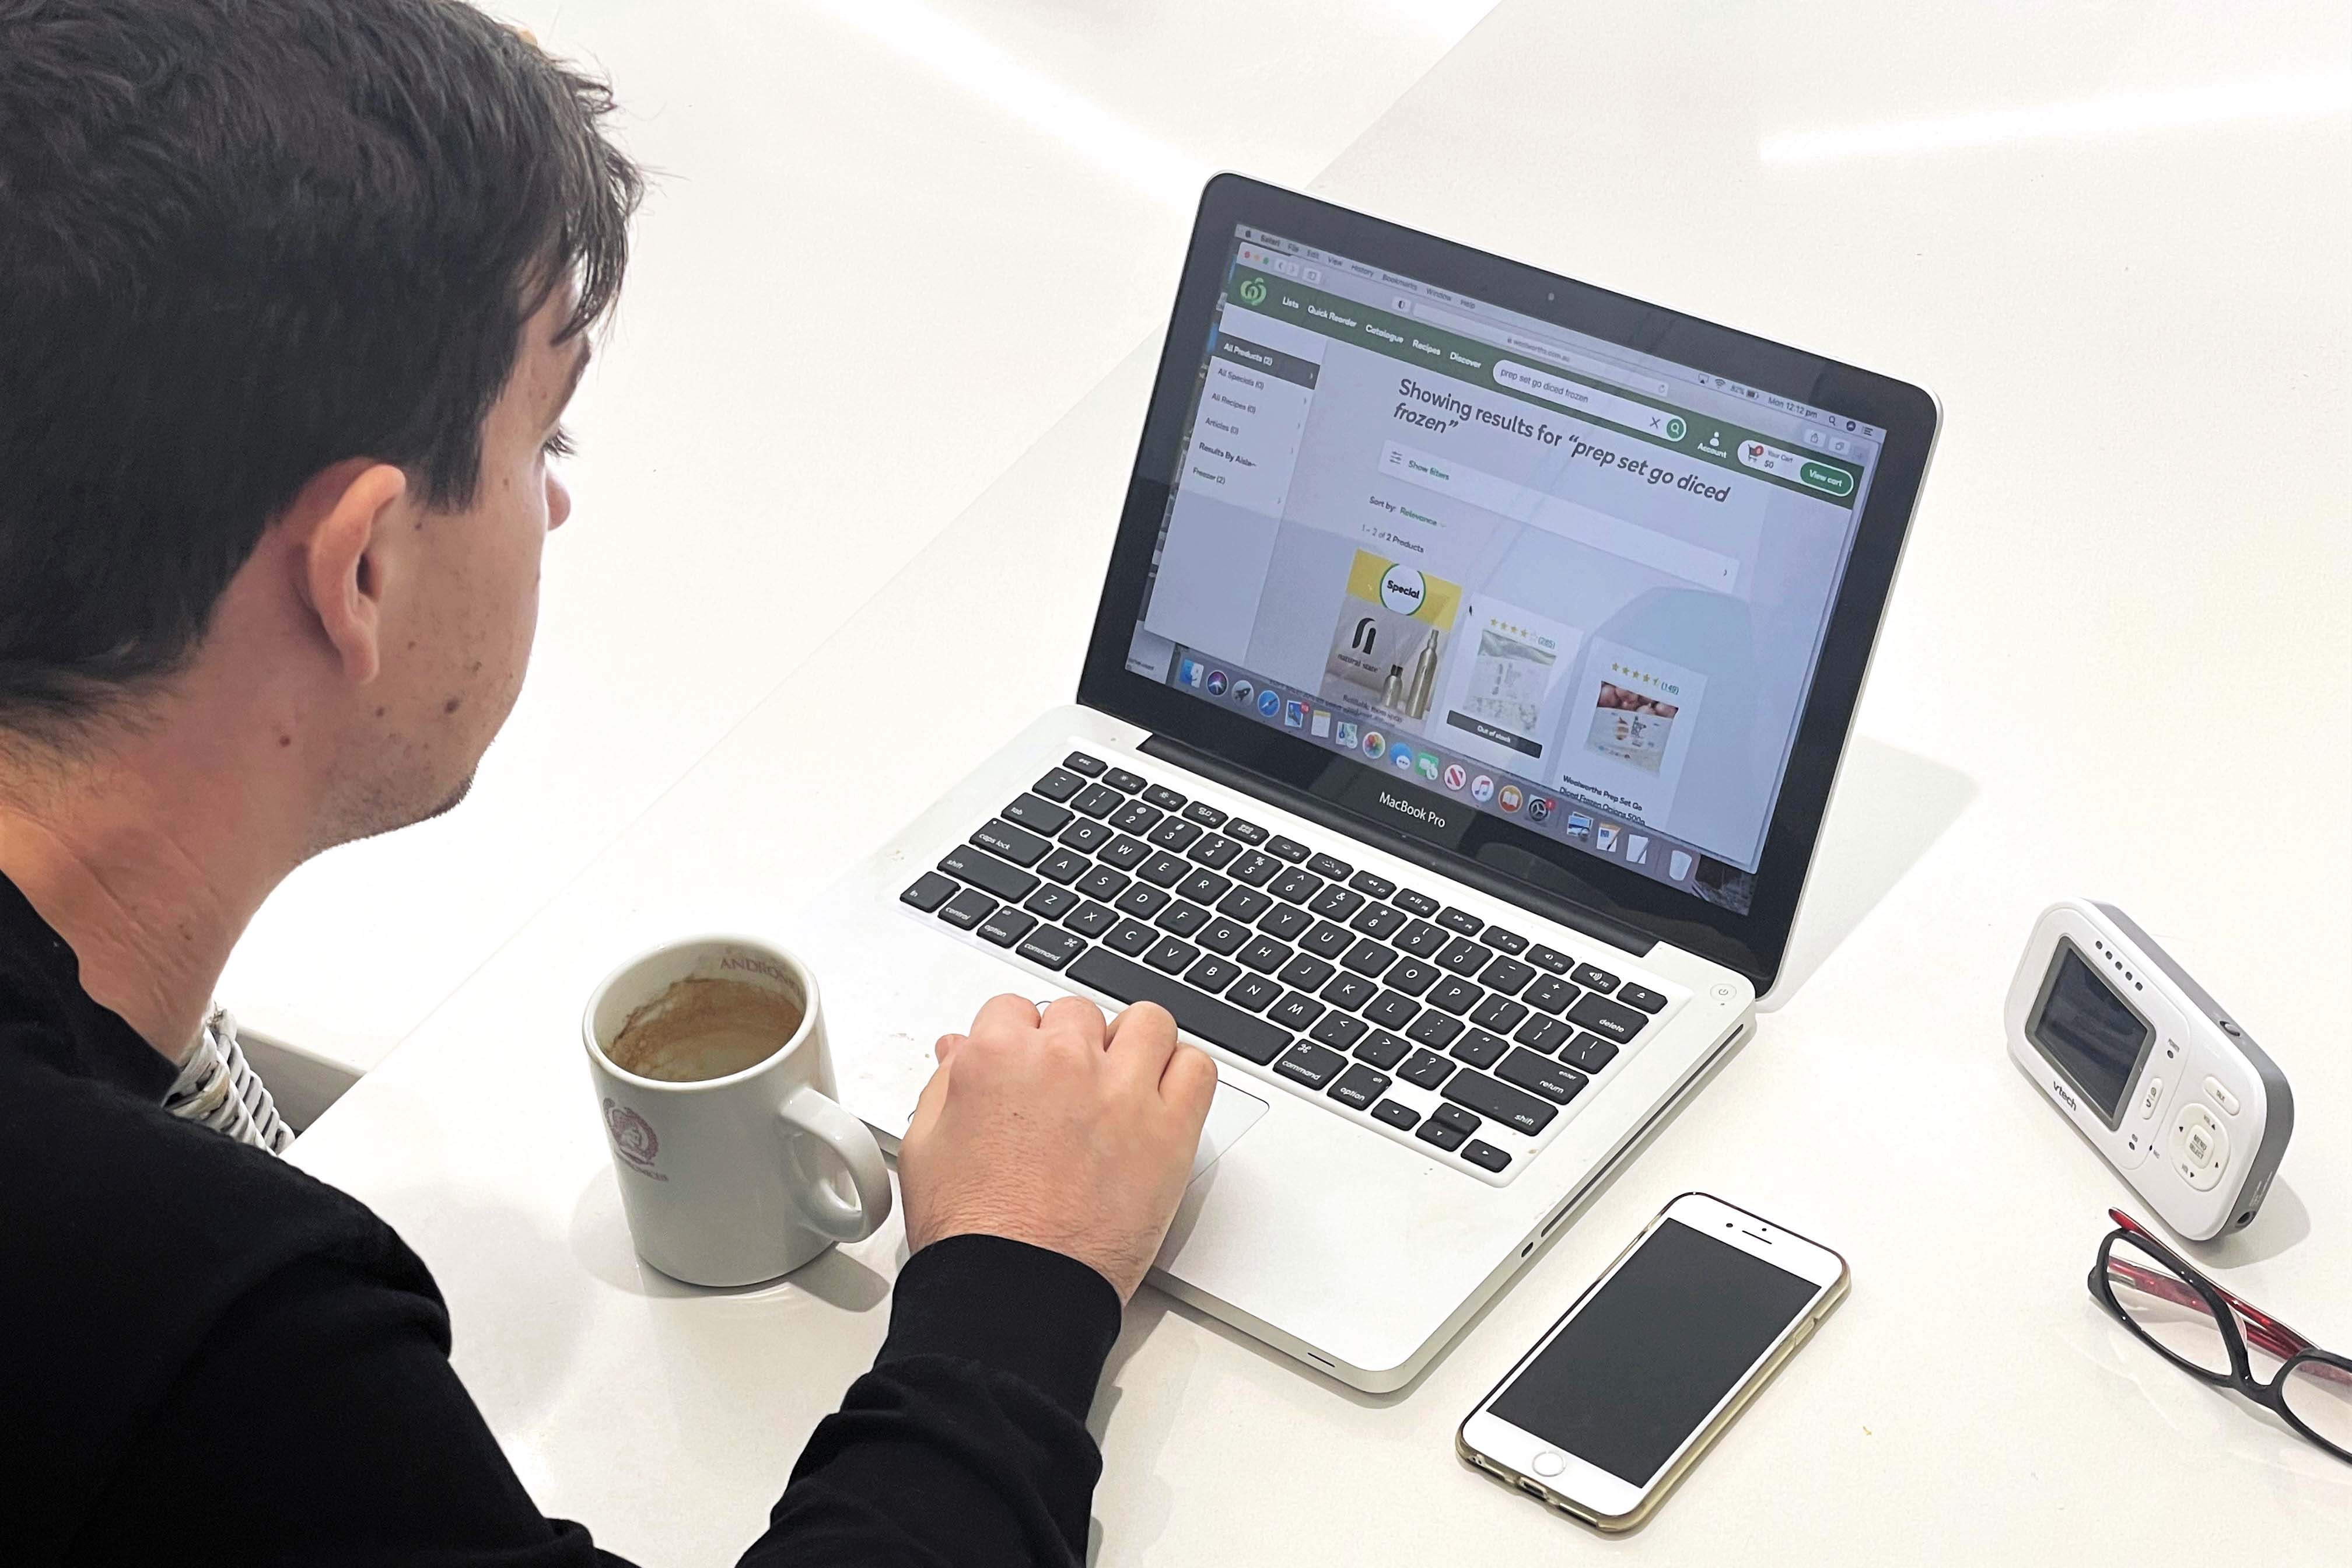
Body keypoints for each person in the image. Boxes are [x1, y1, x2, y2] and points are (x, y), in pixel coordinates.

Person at [0, 2, 1215, 1563]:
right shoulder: (189, 1322)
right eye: (541, 441)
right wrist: (1019, 1279)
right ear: (360, 566)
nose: (556, 509)